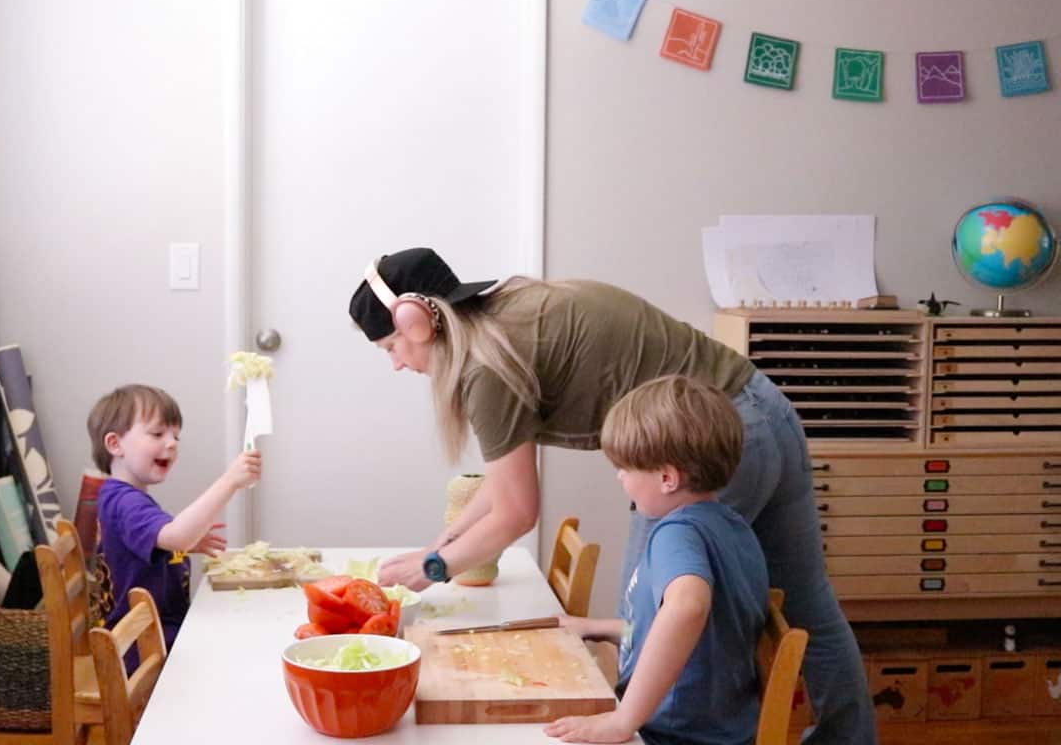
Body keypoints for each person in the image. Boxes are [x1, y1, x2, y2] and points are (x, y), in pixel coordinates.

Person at [348, 247, 875, 745]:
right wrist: (447, 542)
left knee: (654, 611)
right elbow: (504, 485)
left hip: (699, 447)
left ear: (416, 322)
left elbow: (516, 512)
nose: (397, 364)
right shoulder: (508, 319)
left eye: (391, 348)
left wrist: (435, 569)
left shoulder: (488, 368)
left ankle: (641, 731)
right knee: (809, 602)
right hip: (765, 409)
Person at [545, 375, 767, 744]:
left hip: (673, 735)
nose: (620, 477)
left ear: (667, 478)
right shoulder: (733, 527)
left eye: (626, 468)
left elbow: (687, 608)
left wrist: (622, 721)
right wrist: (595, 626)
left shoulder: (676, 534)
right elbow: (699, 632)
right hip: (722, 729)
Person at [87, 384, 262, 654]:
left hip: (153, 635)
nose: (170, 443)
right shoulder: (127, 502)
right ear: (115, 444)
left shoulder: (118, 495)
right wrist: (230, 481)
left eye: (175, 437)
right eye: (157, 433)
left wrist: (178, 545)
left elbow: (146, 542)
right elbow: (176, 534)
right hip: (147, 647)